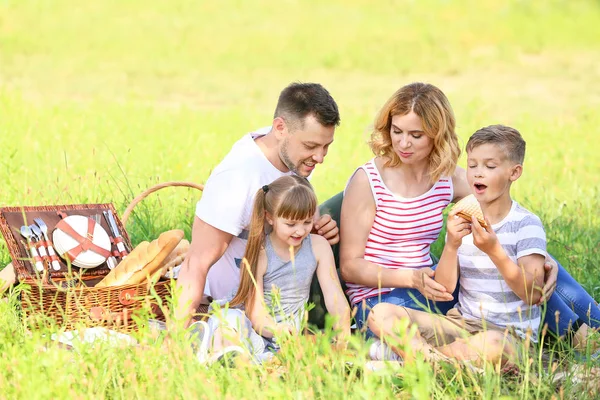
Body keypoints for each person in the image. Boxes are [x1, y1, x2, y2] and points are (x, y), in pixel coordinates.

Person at [338, 82, 599, 354]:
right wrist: (411, 279)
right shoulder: (367, 180)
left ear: (436, 135)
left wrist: (540, 259)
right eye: (397, 131)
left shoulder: (444, 175)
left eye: (416, 135)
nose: (403, 143)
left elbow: (499, 204)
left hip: (436, 289)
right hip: (383, 297)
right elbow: (350, 267)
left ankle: (589, 333)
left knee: (533, 263)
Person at [367, 125, 545, 365]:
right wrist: (451, 245)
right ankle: (438, 361)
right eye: (472, 165)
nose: (477, 174)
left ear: (514, 172)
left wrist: (495, 252)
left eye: (489, 167)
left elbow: (533, 294)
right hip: (461, 325)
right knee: (381, 314)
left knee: (491, 345)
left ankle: (413, 360)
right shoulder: (464, 219)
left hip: (508, 337)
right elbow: (443, 290)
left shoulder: (526, 224)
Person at [174, 82, 341, 327]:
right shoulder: (238, 178)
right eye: (311, 146)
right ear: (280, 128)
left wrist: (309, 228)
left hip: (287, 302)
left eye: (326, 146)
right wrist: (174, 337)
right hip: (236, 310)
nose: (320, 157)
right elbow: (195, 262)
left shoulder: (293, 154)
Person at [195, 176, 350, 362]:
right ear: (270, 217)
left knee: (292, 354)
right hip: (255, 327)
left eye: (307, 222)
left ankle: (241, 357)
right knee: (231, 319)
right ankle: (217, 346)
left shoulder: (318, 247)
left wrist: (344, 336)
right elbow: (256, 313)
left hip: (286, 337)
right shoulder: (261, 252)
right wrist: (276, 329)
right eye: (291, 224)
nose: (300, 231)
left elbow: (335, 298)